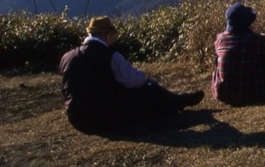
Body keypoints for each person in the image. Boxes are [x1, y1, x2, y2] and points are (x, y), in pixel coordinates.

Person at [60, 16, 204, 134]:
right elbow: (136, 81)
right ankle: (179, 101)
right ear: (106, 35)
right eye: (112, 36)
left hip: (77, 120)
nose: (112, 39)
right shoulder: (110, 56)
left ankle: (176, 102)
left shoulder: (67, 57)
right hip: (105, 118)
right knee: (149, 88)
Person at [212, 2, 265, 105]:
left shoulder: (220, 40)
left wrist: (256, 37)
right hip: (253, 94)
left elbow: (238, 44)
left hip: (223, 95)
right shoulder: (253, 40)